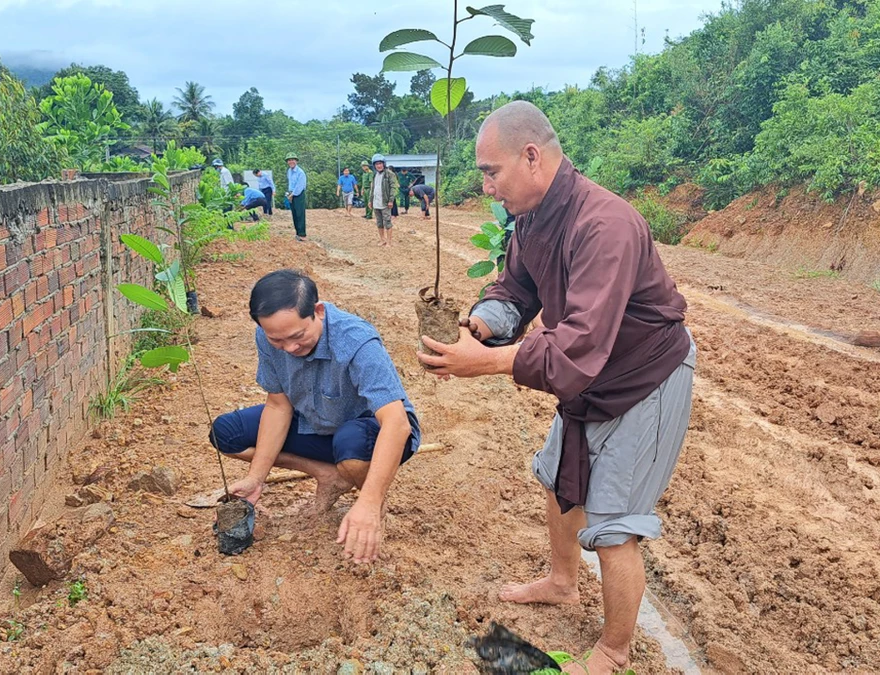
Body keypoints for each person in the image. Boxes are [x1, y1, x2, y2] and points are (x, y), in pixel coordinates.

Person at [417, 101, 696, 675]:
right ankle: (563, 581)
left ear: (531, 156)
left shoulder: (605, 224)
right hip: (590, 375)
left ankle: (614, 651)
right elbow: (515, 288)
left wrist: (489, 364)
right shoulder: (532, 219)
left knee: (614, 523)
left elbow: (581, 341)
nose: (486, 186)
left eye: (491, 172)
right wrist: (484, 324)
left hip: (643, 378)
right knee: (558, 476)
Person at [211, 270, 421, 563]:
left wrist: (368, 504)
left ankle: (373, 505)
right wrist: (256, 478)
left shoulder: (356, 341)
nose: (290, 348)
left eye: (297, 336)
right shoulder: (269, 336)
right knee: (227, 432)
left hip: (370, 435)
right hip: (315, 423)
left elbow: (396, 424)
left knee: (352, 444)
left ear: (318, 311)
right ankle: (328, 474)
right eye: (277, 340)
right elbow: (278, 406)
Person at [370, 154, 398, 247]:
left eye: (380, 163)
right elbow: (373, 188)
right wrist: (370, 200)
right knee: (379, 222)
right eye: (376, 164)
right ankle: (382, 239)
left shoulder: (390, 174)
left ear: (384, 164)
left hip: (385, 202)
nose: (378, 165)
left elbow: (393, 187)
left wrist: (391, 200)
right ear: (374, 165)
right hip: (376, 202)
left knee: (387, 222)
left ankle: (389, 242)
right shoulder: (375, 175)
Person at [284, 152, 307, 241]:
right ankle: (297, 232)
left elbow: (300, 186)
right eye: (289, 160)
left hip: (298, 194)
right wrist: (289, 194)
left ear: (296, 161)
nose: (291, 162)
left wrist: (292, 195)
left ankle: (302, 234)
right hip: (291, 194)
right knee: (294, 214)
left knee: (300, 213)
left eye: (293, 160)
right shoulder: (289, 171)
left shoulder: (300, 172)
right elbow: (291, 184)